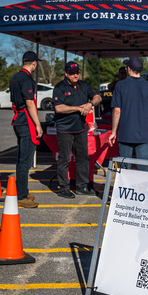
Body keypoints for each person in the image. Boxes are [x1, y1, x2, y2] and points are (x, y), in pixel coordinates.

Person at [52, 61, 102, 199]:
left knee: (83, 158)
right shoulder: (59, 87)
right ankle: (63, 188)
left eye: (77, 72)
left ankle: (82, 186)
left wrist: (90, 103)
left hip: (80, 129)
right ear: (66, 74)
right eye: (72, 73)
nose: (76, 75)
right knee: (64, 159)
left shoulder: (84, 85)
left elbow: (98, 97)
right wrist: (79, 108)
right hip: (65, 129)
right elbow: (59, 108)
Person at [108, 57, 148, 171]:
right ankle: (142, 189)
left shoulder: (120, 85)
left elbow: (117, 111)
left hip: (125, 133)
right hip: (144, 134)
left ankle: (127, 189)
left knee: (124, 170)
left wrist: (113, 132)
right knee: (143, 169)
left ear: (128, 69)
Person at [9, 51, 44, 208]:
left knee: (21, 158)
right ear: (34, 63)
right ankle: (22, 196)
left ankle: (22, 190)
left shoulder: (15, 77)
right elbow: (29, 103)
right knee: (25, 161)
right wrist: (38, 124)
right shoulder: (27, 79)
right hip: (26, 122)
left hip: (18, 120)